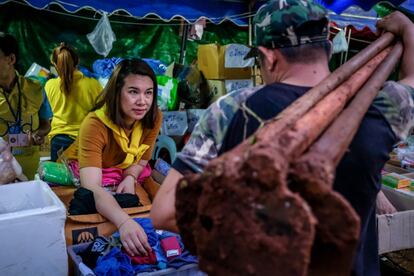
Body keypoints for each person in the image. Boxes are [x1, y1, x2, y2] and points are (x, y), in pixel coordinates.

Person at [151, 1, 414, 275]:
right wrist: (407, 30)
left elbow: (165, 212)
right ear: (326, 49)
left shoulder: (233, 109)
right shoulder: (384, 106)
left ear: (269, 56)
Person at [63, 58, 162, 257]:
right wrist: (124, 222)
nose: (143, 101)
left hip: (122, 172)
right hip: (84, 174)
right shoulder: (94, 124)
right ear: (117, 92)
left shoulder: (153, 117)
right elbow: (91, 187)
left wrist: (130, 176)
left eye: (148, 93)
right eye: (133, 91)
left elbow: (143, 160)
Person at [0, 32, 52, 179]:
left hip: (29, 169)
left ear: (11, 59)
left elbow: (45, 124)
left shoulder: (36, 89)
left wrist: (38, 134)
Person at [45, 43, 102, 162]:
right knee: (85, 179)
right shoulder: (93, 84)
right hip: (86, 139)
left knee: (58, 179)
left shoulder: (49, 85)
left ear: (55, 64)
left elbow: (46, 114)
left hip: (58, 139)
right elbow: (102, 113)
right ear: (78, 61)